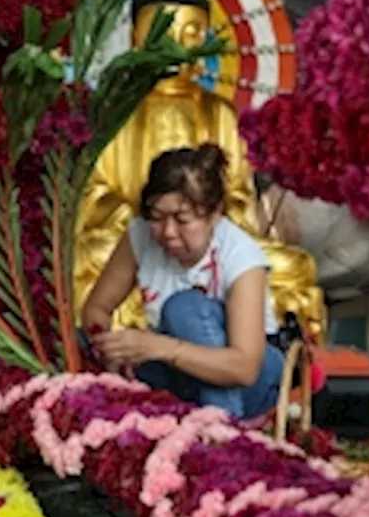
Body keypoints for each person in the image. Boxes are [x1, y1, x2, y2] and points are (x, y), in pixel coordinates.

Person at [83, 144, 285, 419]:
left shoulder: (241, 256)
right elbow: (98, 308)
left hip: (250, 380)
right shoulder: (140, 236)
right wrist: (108, 347)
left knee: (184, 308)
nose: (167, 232)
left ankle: (221, 432)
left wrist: (158, 347)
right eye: (156, 218)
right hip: (176, 371)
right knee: (77, 344)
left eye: (182, 220)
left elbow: (245, 368)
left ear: (215, 214)